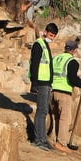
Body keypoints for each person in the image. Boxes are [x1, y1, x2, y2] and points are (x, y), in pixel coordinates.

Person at [51, 37, 81, 151]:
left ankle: (52, 138)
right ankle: (61, 143)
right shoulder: (72, 61)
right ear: (74, 50)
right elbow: (72, 78)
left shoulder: (56, 58)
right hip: (64, 92)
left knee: (55, 116)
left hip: (52, 90)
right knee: (65, 118)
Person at [26, 22, 58, 150]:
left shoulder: (45, 45)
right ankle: (38, 139)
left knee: (44, 111)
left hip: (46, 83)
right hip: (41, 83)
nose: (52, 38)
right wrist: (34, 84)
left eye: (54, 36)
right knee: (41, 111)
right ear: (45, 32)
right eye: (51, 35)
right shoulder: (39, 45)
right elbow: (34, 65)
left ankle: (43, 139)